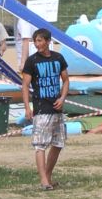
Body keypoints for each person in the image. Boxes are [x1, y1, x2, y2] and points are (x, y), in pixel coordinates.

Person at [20, 26, 70, 190]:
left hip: (57, 108)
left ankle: (48, 176)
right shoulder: (32, 61)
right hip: (41, 108)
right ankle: (43, 181)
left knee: (58, 143)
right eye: (35, 40)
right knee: (40, 145)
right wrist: (28, 107)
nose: (37, 43)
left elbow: (66, 80)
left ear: (48, 41)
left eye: (40, 40)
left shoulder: (58, 58)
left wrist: (62, 98)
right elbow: (25, 85)